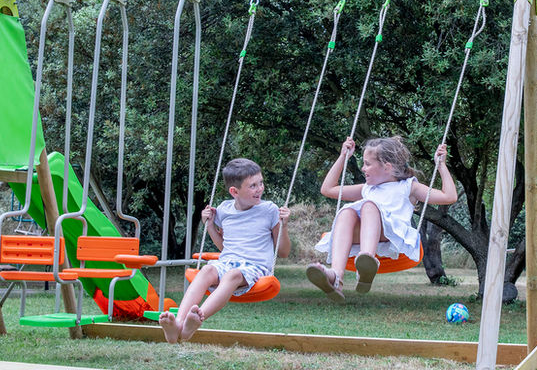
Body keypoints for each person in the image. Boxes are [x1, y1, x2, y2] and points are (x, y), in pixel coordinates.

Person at [307, 135, 457, 301]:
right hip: (366, 234)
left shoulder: (408, 187)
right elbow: (327, 189)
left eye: (368, 164)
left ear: (387, 167)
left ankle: (366, 261)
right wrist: (343, 157)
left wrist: (441, 166)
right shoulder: (367, 188)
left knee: (368, 206)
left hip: (392, 235)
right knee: (346, 212)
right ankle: (336, 276)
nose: (363, 168)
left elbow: (449, 196)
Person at [160, 158, 290, 343]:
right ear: (234, 191)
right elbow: (224, 247)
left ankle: (197, 318)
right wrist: (210, 225)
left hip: (255, 268)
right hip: (227, 261)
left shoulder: (269, 210)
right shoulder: (224, 209)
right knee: (206, 270)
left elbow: (283, 252)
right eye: (252, 185)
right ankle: (178, 325)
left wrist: (284, 226)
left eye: (260, 183)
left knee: (232, 275)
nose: (260, 188)